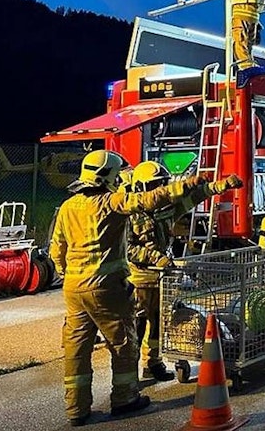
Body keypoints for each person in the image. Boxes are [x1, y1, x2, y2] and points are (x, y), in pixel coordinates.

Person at [49, 150, 211, 427]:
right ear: (108, 176)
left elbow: (56, 250)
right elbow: (150, 199)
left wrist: (67, 273)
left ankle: (76, 409)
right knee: (124, 345)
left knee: (77, 349)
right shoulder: (111, 202)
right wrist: (189, 183)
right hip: (106, 288)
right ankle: (125, 399)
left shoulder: (68, 207)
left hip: (73, 290)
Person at [126, 161, 243, 383]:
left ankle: (153, 363)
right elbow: (127, 248)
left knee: (160, 325)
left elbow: (194, 198)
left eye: (162, 184)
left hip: (162, 279)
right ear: (141, 187)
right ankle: (129, 371)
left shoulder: (165, 210)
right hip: (139, 280)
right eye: (155, 185)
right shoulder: (130, 213)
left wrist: (221, 186)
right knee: (136, 326)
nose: (160, 189)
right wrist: (155, 258)